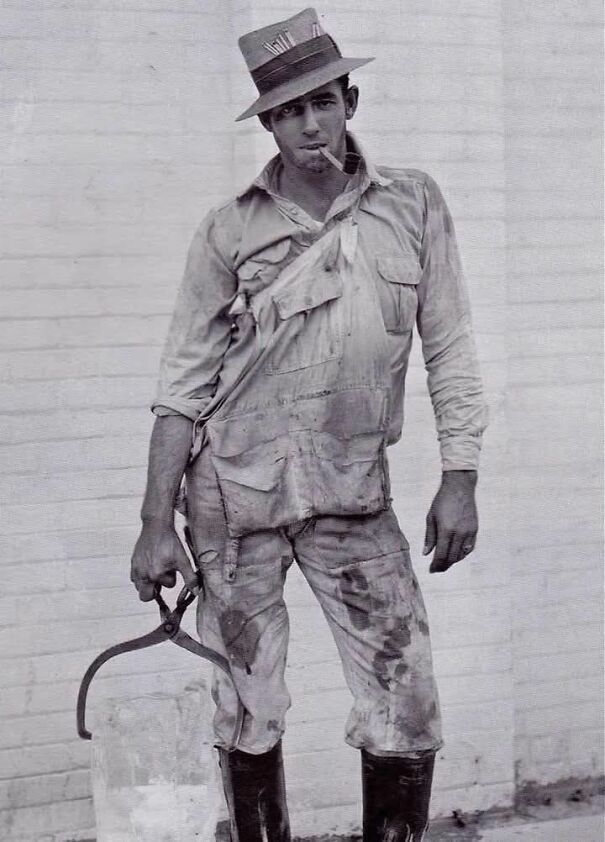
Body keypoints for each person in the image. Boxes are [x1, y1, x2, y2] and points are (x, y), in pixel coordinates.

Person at [130, 8, 488, 841]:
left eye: (320, 101)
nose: (307, 124)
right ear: (267, 123)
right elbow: (181, 385)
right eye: (286, 111)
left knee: (405, 700)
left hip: (351, 498)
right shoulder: (229, 228)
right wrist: (155, 521)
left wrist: (460, 474)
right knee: (246, 706)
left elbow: (451, 347)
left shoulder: (413, 203)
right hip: (233, 505)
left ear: (349, 100)